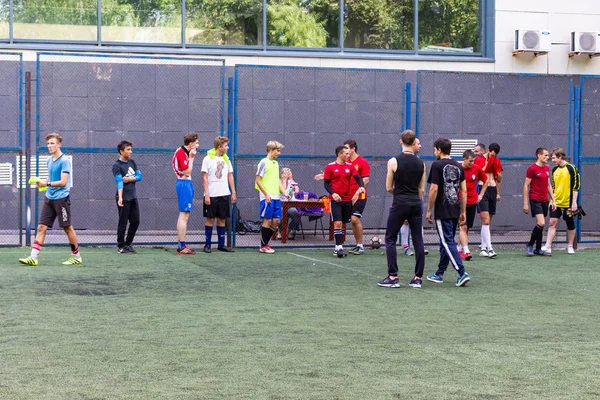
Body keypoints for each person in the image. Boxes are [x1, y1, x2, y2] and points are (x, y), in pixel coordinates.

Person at [19, 133, 82, 266]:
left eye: (52, 143)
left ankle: (76, 256)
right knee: (41, 227)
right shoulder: (49, 160)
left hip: (62, 199)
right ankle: (33, 257)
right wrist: (42, 182)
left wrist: (46, 184)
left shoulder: (65, 161)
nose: (49, 146)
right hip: (49, 198)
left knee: (67, 228)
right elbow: (50, 178)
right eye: (48, 143)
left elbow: (63, 182)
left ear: (59, 144)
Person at [377, 130, 426, 288]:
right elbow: (421, 190)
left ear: (401, 142)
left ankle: (393, 277)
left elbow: (388, 187)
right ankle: (418, 278)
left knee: (390, 238)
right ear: (413, 143)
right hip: (415, 204)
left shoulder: (393, 161)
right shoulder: (421, 163)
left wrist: (399, 193)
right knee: (418, 239)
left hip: (400, 203)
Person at [425, 138, 471, 287]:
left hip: (442, 209)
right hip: (455, 208)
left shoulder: (437, 165)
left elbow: (434, 189)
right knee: (446, 241)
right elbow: (464, 190)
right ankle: (439, 273)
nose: (434, 152)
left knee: (447, 241)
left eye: (434, 150)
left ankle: (462, 272)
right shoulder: (459, 166)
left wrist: (429, 209)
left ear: (439, 149)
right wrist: (463, 210)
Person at [323, 145, 365, 258]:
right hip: (335, 200)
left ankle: (338, 247)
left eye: (348, 153)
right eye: (346, 154)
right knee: (337, 223)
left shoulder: (350, 166)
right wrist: (333, 194)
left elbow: (358, 178)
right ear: (339, 154)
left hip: (347, 199)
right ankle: (339, 247)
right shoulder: (330, 167)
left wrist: (361, 186)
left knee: (343, 224)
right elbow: (326, 184)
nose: (348, 155)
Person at [201, 136, 236, 253]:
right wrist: (207, 194)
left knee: (222, 219)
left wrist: (233, 191)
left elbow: (230, 175)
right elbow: (204, 177)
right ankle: (207, 245)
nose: (227, 147)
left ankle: (221, 245)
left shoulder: (227, 159)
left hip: (224, 194)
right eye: (225, 145)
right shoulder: (207, 159)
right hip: (211, 194)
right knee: (210, 219)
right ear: (219, 146)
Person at [542, 148, 580, 254]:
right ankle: (548, 245)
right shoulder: (554, 170)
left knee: (570, 223)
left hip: (568, 202)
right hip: (556, 202)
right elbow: (553, 186)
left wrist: (574, 202)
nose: (552, 160)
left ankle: (570, 246)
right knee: (552, 222)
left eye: (554, 158)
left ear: (560, 157)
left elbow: (576, 186)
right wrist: (553, 200)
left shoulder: (572, 168)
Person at [256, 141, 288, 254]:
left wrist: (284, 192)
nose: (279, 153)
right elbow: (258, 180)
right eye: (277, 150)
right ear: (271, 150)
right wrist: (266, 194)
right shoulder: (263, 163)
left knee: (276, 221)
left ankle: (265, 243)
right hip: (267, 197)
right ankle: (263, 246)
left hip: (276, 197)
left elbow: (277, 181)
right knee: (267, 220)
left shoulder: (276, 163)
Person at [457, 149, 488, 260]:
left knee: (467, 228)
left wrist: (481, 195)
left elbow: (486, 180)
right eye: (470, 161)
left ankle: (459, 249)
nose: (472, 163)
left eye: (473, 161)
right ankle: (466, 250)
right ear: (464, 159)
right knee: (462, 226)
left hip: (473, 201)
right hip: (460, 201)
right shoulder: (458, 169)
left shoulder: (476, 168)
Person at [523, 148, 555, 256]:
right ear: (539, 155)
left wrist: (553, 200)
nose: (548, 157)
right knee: (541, 222)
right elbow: (526, 185)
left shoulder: (547, 168)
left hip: (544, 200)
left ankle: (538, 249)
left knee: (540, 225)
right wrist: (525, 203)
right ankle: (530, 245)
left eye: (548, 155)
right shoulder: (532, 169)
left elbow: (548, 185)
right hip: (535, 198)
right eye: (545, 155)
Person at [474, 142, 503, 258]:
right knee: (485, 220)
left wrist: (498, 193)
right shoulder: (479, 159)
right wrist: (487, 164)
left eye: (495, 155)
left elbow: (499, 178)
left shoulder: (496, 160)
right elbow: (478, 174)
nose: (493, 157)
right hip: (482, 189)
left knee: (487, 221)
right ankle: (489, 247)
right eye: (492, 154)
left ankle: (483, 247)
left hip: (492, 189)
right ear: (488, 151)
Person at [113, 140, 142, 254]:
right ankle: (121, 246)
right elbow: (119, 182)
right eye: (128, 149)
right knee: (123, 222)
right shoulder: (116, 166)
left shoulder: (132, 162)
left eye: (131, 149)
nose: (131, 151)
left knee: (135, 221)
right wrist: (120, 198)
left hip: (133, 197)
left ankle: (128, 244)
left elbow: (140, 176)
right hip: (124, 198)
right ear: (121, 151)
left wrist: (130, 179)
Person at [172, 132, 199, 255]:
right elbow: (187, 172)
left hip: (186, 183)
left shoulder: (183, 152)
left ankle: (182, 245)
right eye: (196, 143)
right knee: (184, 214)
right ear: (191, 143)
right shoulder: (182, 153)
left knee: (185, 214)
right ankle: (181, 246)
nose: (198, 145)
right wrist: (192, 158)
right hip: (184, 183)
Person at [343, 140, 371, 256]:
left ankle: (360, 246)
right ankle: (358, 245)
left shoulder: (362, 162)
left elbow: (365, 180)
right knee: (352, 221)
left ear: (353, 149)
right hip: (348, 196)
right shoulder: (346, 162)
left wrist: (356, 193)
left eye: (346, 148)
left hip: (360, 195)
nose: (345, 150)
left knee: (355, 219)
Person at [279, 168, 301, 240]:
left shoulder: (291, 182)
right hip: (281, 205)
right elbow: (283, 190)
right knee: (282, 212)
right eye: (286, 173)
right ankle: (280, 231)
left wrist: (291, 179)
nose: (288, 174)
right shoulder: (279, 182)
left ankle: (289, 231)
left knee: (296, 213)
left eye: (289, 173)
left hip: (290, 205)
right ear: (282, 174)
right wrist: (284, 180)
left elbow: (297, 190)